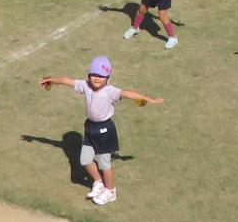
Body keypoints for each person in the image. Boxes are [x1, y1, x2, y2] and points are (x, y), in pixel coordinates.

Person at [39, 56, 162, 206]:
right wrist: (51, 80)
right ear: (89, 75)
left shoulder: (110, 91)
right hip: (90, 127)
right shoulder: (85, 86)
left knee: (105, 164)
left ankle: (110, 192)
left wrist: (148, 99)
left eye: (101, 76)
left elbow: (128, 93)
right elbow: (68, 81)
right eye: (94, 75)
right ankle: (98, 182)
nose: (97, 79)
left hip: (105, 130)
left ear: (108, 78)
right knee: (85, 160)